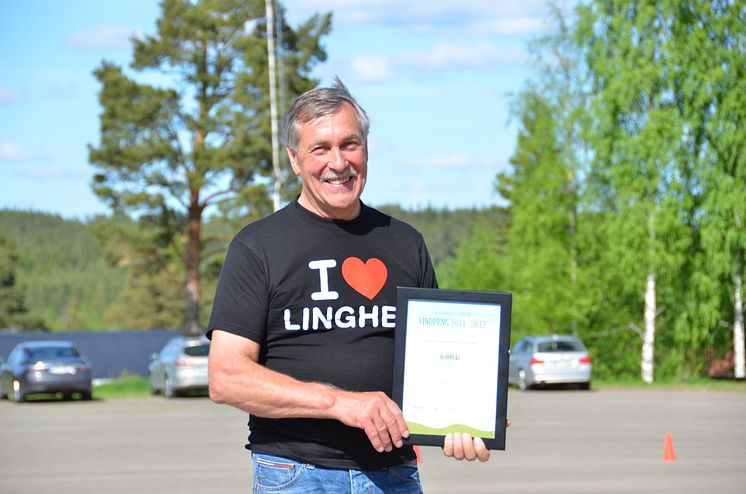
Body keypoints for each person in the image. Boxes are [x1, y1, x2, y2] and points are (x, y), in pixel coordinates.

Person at [207, 78, 490, 494]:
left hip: (393, 474)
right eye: (320, 148)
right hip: (297, 474)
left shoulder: (405, 241)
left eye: (350, 144)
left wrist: (471, 415)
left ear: (367, 149)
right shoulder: (258, 246)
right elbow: (226, 377)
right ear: (294, 159)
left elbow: (436, 364)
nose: (338, 163)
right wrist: (340, 403)